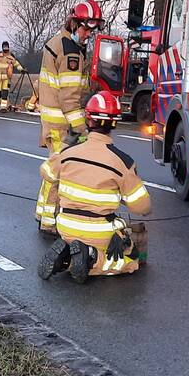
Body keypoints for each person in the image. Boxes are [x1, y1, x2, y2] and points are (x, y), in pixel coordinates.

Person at [36, 91, 151, 283]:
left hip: (65, 226)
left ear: (88, 120)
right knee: (130, 260)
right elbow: (142, 207)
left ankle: (67, 258)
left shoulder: (69, 153)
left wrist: (65, 146)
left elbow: (46, 172)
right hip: (100, 232)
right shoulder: (123, 162)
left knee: (77, 242)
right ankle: (91, 257)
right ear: (115, 123)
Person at [39, 0, 104, 153]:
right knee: (61, 171)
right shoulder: (71, 53)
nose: (88, 35)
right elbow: (69, 98)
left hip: (54, 121)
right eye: (86, 30)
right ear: (74, 24)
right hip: (62, 124)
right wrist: (82, 129)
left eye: (91, 31)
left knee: (56, 170)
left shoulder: (58, 42)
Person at [0, 41, 26, 111]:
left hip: (6, 79)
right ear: (2, 48)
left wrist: (22, 70)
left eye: (7, 47)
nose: (6, 49)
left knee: (5, 93)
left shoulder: (11, 58)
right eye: (4, 47)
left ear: (8, 48)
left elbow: (17, 64)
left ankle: (3, 107)